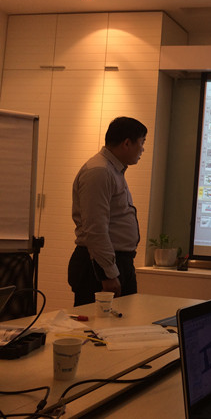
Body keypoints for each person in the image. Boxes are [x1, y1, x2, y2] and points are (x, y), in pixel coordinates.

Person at [68, 116, 148, 306]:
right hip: (97, 267)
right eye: (142, 142)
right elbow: (95, 229)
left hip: (116, 262)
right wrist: (109, 274)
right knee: (97, 324)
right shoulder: (100, 171)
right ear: (127, 143)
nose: (143, 149)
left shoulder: (113, 170)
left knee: (126, 321)